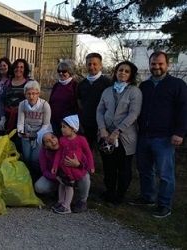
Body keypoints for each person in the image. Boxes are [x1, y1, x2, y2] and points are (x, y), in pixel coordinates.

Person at [129, 51, 187, 218]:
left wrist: (180, 132)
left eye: (160, 64)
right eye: (154, 63)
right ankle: (148, 197)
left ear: (167, 65)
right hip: (144, 135)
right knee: (145, 170)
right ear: (150, 64)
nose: (157, 67)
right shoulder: (144, 86)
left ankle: (164, 205)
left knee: (165, 174)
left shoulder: (177, 85)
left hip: (165, 137)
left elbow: (184, 110)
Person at [96, 61, 142, 206]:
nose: (122, 73)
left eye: (126, 71)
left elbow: (134, 113)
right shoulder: (108, 91)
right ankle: (109, 192)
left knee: (123, 168)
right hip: (105, 135)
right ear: (115, 72)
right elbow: (100, 110)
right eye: (120, 70)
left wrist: (117, 131)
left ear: (131, 75)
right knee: (109, 166)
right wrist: (102, 128)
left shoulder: (134, 91)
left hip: (124, 137)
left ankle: (120, 195)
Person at [36, 126, 92, 213]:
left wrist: (78, 164)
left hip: (75, 173)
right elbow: (44, 171)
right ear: (45, 146)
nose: (52, 141)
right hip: (59, 177)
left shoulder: (68, 145)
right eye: (47, 141)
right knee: (39, 187)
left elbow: (86, 163)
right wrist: (56, 177)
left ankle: (82, 201)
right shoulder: (43, 152)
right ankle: (60, 199)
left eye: (53, 137)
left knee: (85, 177)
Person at [50, 115, 95, 214]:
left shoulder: (81, 140)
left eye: (64, 127)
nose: (62, 129)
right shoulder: (62, 139)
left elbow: (88, 153)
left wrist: (91, 166)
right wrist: (55, 166)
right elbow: (59, 153)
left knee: (69, 186)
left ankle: (67, 206)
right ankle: (61, 202)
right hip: (64, 168)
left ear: (73, 129)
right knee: (62, 184)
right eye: (61, 126)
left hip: (75, 169)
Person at [16, 80, 51, 180]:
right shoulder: (22, 104)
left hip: (40, 133)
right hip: (26, 132)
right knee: (26, 157)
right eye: (28, 94)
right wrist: (20, 132)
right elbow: (20, 122)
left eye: (34, 94)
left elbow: (46, 124)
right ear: (25, 94)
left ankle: (37, 176)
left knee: (35, 158)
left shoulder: (45, 105)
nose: (31, 96)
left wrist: (35, 135)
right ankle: (27, 177)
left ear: (38, 94)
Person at [77, 53, 112, 147]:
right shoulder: (81, 84)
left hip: (103, 126)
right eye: (89, 64)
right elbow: (79, 103)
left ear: (100, 65)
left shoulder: (108, 83)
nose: (92, 67)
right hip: (86, 125)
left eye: (95, 64)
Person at [49, 61, 79, 136]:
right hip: (54, 122)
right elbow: (51, 102)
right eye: (59, 71)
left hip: (68, 124)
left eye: (64, 71)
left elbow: (78, 105)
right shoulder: (56, 85)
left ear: (70, 72)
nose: (61, 73)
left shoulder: (75, 86)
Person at [0, 58, 29, 133]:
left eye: (21, 67)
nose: (18, 69)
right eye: (16, 67)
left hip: (23, 119)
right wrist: (2, 117)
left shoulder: (29, 83)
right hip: (8, 117)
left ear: (25, 69)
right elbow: (1, 100)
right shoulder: (7, 82)